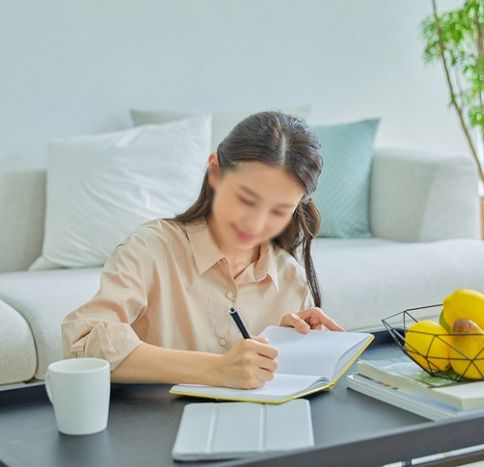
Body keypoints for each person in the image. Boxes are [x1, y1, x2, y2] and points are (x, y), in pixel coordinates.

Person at [61, 110, 344, 390]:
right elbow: (85, 343)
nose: (256, 224)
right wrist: (215, 368)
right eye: (246, 199)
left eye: (279, 211)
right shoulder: (150, 249)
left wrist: (290, 345)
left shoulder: (290, 279)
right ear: (215, 172)